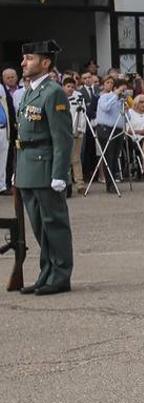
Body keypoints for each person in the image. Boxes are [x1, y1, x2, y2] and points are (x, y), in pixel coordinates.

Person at [13, 40, 74, 294]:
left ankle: (60, 276)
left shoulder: (53, 92)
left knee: (54, 223)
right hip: (28, 166)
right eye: (24, 58)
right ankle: (46, 272)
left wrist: (60, 173)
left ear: (45, 62)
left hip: (46, 166)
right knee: (39, 226)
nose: (23, 63)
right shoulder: (29, 91)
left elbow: (62, 137)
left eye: (29, 58)